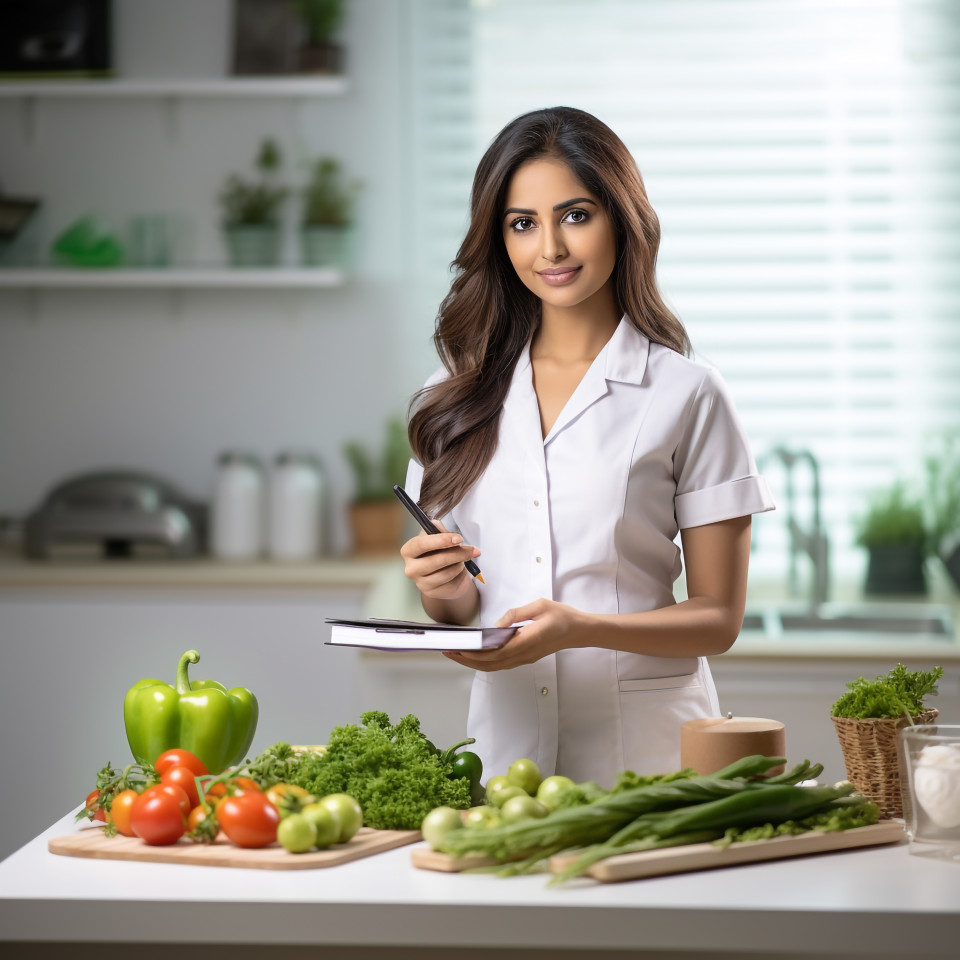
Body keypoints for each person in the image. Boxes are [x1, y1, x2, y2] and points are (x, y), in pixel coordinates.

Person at [400, 106, 775, 788]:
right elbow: (457, 609)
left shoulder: (687, 393)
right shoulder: (454, 395)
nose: (550, 248)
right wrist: (443, 587)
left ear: (621, 219)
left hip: (648, 759)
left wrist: (582, 628)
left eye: (575, 215)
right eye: (522, 224)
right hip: (505, 754)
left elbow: (718, 619)